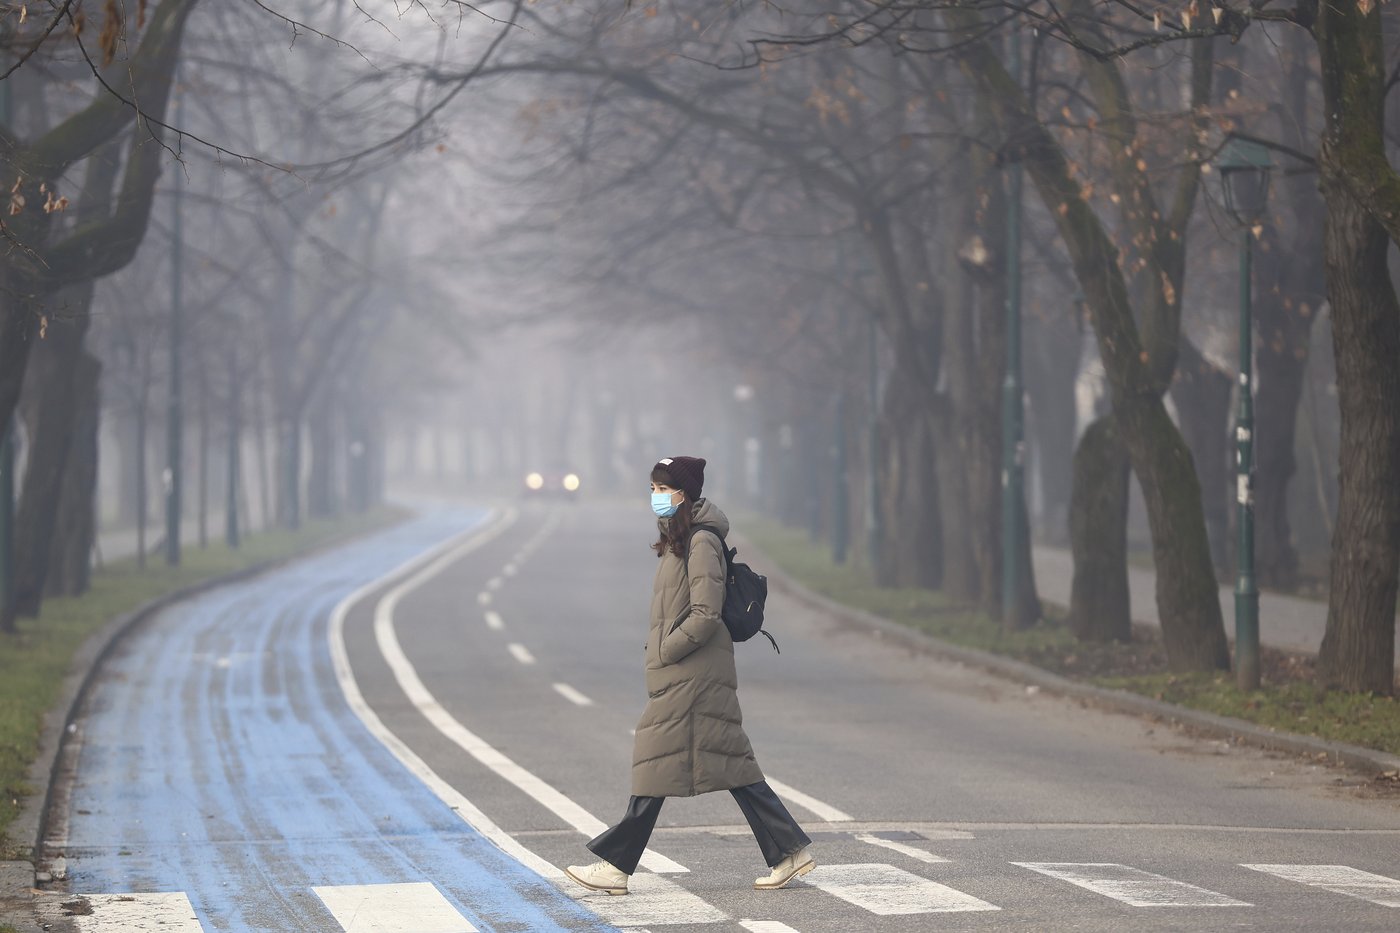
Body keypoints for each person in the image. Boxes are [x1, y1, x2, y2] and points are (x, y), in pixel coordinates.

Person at [565, 456, 814, 896]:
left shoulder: (701, 542)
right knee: (728, 764)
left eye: (663, 489)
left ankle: (617, 867)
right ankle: (789, 851)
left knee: (655, 759)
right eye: (653, 488)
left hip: (693, 673)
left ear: (684, 494)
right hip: (688, 672)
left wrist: (666, 649)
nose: (656, 497)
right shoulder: (680, 540)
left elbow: (704, 613)